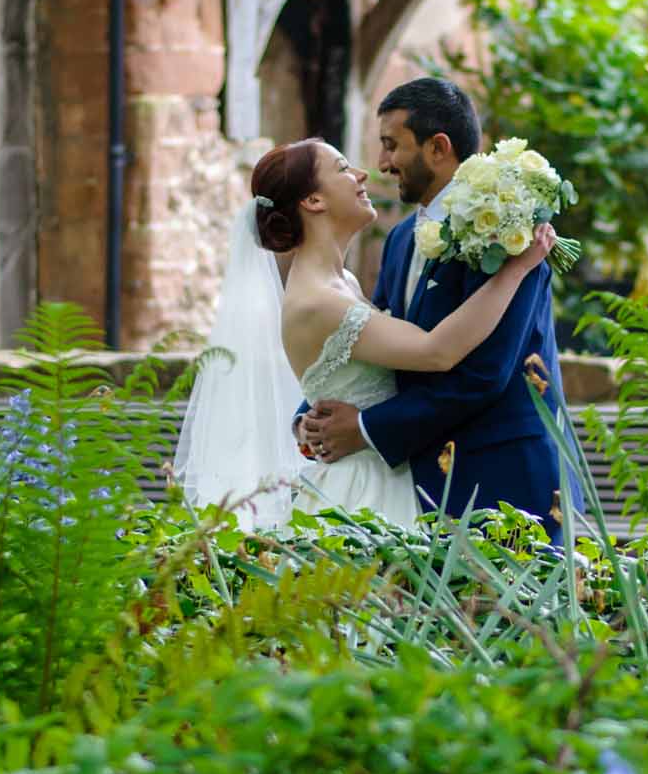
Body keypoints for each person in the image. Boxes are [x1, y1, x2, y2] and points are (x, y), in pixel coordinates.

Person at [171, 134, 554, 527]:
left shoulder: (344, 283)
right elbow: (437, 351)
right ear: (313, 201)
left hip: (388, 474)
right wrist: (516, 270)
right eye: (342, 169)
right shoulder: (319, 300)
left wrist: (308, 420)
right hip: (363, 489)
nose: (361, 175)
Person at [300, 77, 585, 537]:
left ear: (438, 147)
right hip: (423, 487)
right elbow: (376, 347)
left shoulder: (512, 233)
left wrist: (366, 428)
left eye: (392, 145)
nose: (382, 163)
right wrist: (315, 415)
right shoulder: (397, 241)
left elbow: (484, 374)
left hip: (507, 481)